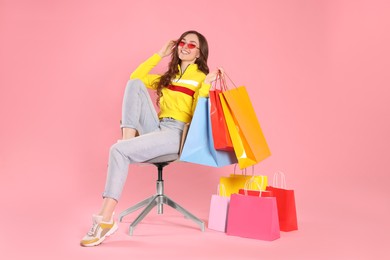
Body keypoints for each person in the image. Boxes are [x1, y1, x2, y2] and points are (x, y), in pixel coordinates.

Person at [80, 30, 221, 247]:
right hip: (157, 127)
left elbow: (198, 116)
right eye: (182, 42)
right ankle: (127, 139)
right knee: (134, 84)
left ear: (199, 54)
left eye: (192, 45)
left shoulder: (200, 78)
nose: (185, 46)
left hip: (177, 133)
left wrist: (206, 87)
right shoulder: (169, 76)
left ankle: (105, 219)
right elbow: (135, 77)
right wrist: (159, 54)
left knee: (116, 151)